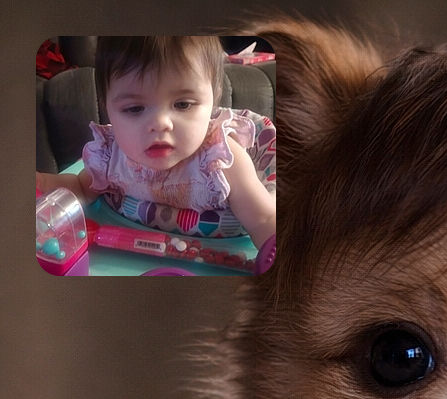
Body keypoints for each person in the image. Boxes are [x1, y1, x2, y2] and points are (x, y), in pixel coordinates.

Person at [37, 36, 275, 249]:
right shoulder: (112, 158)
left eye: (183, 104)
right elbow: (81, 188)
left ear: (214, 98)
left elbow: (264, 220)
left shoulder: (222, 160)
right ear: (106, 107)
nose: (160, 123)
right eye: (135, 108)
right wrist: (43, 184)